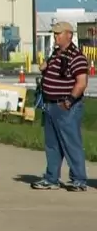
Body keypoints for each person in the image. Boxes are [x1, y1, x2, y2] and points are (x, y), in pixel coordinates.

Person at [32, 20, 89, 191]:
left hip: (66, 106)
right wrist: (45, 67)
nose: (55, 37)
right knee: (52, 144)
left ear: (69, 35)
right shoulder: (56, 55)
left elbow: (81, 82)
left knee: (71, 143)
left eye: (59, 34)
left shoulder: (76, 57)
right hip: (49, 104)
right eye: (55, 34)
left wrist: (69, 101)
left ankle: (79, 179)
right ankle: (51, 178)